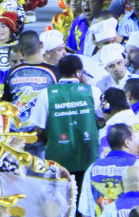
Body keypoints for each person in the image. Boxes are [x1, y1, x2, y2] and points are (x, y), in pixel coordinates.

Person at [31, 54, 102, 190]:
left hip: (57, 161)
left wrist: (48, 141)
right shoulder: (92, 91)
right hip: (89, 157)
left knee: (63, 203)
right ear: (78, 71)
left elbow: (37, 128)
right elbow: (103, 119)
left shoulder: (46, 94)